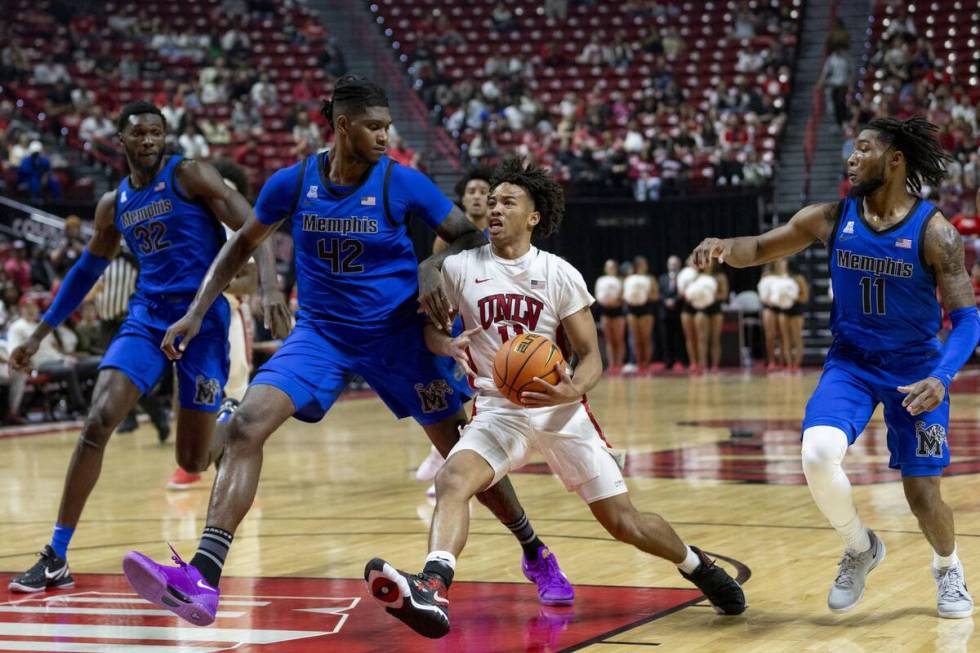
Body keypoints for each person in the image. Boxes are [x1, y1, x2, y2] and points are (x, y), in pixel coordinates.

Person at [121, 77, 573, 626]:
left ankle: (535, 552)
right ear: (342, 126)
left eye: (388, 125)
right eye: (375, 126)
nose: (387, 135)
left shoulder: (402, 182)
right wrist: (198, 310)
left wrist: (430, 266)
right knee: (244, 426)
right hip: (322, 336)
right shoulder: (292, 182)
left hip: (398, 336)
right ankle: (203, 577)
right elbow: (240, 242)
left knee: (462, 458)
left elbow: (466, 237)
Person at [364, 158, 745, 639]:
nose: (496, 209)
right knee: (453, 479)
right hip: (498, 409)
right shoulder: (459, 269)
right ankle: (434, 585)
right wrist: (447, 343)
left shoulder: (558, 272)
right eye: (493, 201)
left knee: (623, 521)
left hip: (560, 411)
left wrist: (574, 387)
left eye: (509, 202)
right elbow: (430, 331)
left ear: (534, 217)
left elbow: (591, 356)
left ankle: (697, 565)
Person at [692, 116, 977, 618]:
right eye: (851, 149)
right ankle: (859, 546)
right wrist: (723, 247)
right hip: (851, 364)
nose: (852, 157)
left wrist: (941, 377)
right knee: (818, 454)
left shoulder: (935, 233)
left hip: (916, 371)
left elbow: (968, 320)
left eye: (863, 149)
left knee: (922, 495)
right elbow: (758, 247)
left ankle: (948, 568)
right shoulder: (828, 217)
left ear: (895, 160)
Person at [6, 100, 288, 594]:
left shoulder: (191, 175)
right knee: (97, 421)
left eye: (157, 132)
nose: (150, 140)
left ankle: (228, 417)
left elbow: (255, 225)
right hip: (147, 318)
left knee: (194, 460)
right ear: (121, 140)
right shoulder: (113, 205)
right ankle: (56, 555)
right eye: (139, 133)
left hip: (201, 318)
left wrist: (268, 286)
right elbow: (84, 273)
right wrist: (39, 333)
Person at [166, 160, 263, 490]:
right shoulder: (191, 224)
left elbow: (249, 280)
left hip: (228, 316)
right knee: (189, 392)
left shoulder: (235, 228)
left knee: (234, 394)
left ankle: (232, 464)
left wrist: (208, 289)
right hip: (189, 320)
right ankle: (192, 463)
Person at [418, 164, 495, 487]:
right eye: (471, 192)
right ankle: (446, 453)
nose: (477, 197)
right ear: (462, 199)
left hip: (492, 314)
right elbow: (441, 283)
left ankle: (453, 455)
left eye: (482, 191)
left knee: (485, 387)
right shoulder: (446, 237)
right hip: (459, 317)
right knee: (459, 389)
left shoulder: (499, 229)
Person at [689, 259, 728, 373]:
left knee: (715, 339)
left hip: (715, 309)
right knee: (702, 338)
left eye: (710, 262)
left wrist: (710, 295)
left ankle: (715, 366)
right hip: (702, 309)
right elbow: (691, 293)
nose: (708, 264)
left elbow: (724, 295)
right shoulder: (697, 277)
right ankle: (703, 365)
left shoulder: (720, 277)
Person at [622, 255, 658, 374]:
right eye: (643, 264)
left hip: (646, 310)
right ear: (637, 265)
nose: (645, 266)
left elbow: (656, 296)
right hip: (632, 310)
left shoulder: (650, 278)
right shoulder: (629, 279)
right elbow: (624, 295)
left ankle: (646, 364)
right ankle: (639, 364)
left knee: (645, 339)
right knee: (636, 339)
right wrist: (629, 297)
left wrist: (646, 296)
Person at [773, 258, 809, 372]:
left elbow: (805, 297)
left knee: (796, 338)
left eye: (783, 262)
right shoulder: (778, 279)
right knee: (785, 339)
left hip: (796, 311)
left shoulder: (799, 278)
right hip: (783, 310)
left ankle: (796, 364)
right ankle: (788, 365)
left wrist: (792, 296)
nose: (780, 265)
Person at [594, 258, 626, 373]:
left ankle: (620, 363)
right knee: (609, 340)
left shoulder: (620, 280)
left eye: (612, 267)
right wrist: (604, 302)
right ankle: (612, 364)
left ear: (616, 268)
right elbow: (598, 295)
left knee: (619, 339)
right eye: (608, 267)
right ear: (605, 268)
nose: (610, 269)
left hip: (617, 312)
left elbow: (623, 295)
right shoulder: (601, 280)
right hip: (605, 312)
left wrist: (616, 301)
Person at [658, 255, 687, 370]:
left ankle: (682, 360)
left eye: (675, 264)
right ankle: (668, 361)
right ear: (667, 265)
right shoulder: (662, 278)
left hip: (679, 311)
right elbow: (659, 293)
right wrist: (666, 301)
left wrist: (674, 301)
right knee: (666, 338)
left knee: (681, 337)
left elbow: (684, 292)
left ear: (679, 265)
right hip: (665, 313)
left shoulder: (683, 277)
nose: (673, 266)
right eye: (671, 264)